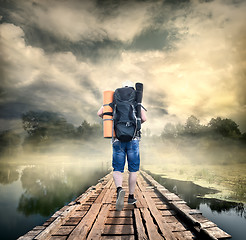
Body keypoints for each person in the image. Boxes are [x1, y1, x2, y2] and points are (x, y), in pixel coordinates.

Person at [97, 81, 146, 211]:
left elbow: (99, 113)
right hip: (133, 139)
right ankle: (131, 196)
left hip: (117, 139)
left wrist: (109, 115)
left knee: (117, 168)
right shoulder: (136, 100)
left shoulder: (114, 99)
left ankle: (119, 189)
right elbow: (144, 118)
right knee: (133, 169)